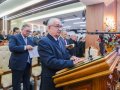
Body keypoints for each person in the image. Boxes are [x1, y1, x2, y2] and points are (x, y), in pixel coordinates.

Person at [38, 18, 84, 90]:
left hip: (62, 76)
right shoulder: (43, 42)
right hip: (51, 79)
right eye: (57, 26)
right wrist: (72, 62)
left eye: (60, 26)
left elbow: (65, 54)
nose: (60, 29)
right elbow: (51, 62)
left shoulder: (61, 40)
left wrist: (71, 57)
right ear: (49, 27)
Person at [9, 24, 34, 90]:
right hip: (17, 64)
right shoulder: (14, 37)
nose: (28, 32)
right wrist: (25, 47)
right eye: (27, 31)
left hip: (27, 64)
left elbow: (32, 49)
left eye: (29, 31)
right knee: (16, 84)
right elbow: (12, 48)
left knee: (27, 82)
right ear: (22, 30)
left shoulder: (30, 39)